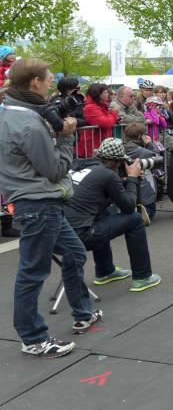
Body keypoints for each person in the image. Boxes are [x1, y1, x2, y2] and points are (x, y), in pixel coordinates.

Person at [0, 58, 102, 358]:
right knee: (33, 272)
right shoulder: (28, 123)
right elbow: (55, 169)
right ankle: (33, 338)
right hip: (39, 203)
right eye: (48, 79)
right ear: (35, 82)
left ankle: (83, 312)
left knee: (74, 252)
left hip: (38, 201)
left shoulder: (10, 113)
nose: (50, 84)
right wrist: (67, 136)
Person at [66, 138, 161, 292]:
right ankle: (142, 277)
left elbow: (98, 193)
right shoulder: (108, 175)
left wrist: (128, 181)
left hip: (60, 236)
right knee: (136, 219)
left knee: (101, 214)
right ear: (117, 162)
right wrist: (132, 179)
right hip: (81, 237)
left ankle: (105, 271)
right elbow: (129, 207)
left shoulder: (79, 165)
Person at [123, 122, 162, 221]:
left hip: (128, 188)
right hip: (144, 191)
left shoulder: (122, 148)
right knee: (151, 211)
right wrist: (149, 144)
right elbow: (158, 159)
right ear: (140, 136)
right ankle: (143, 215)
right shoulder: (142, 151)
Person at [78, 83, 118, 158]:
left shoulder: (101, 105)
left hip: (99, 143)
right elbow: (106, 123)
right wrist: (114, 113)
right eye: (105, 92)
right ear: (98, 94)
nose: (108, 94)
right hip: (92, 146)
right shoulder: (91, 107)